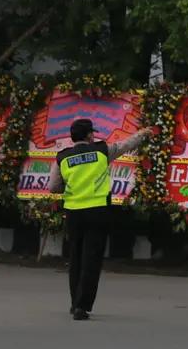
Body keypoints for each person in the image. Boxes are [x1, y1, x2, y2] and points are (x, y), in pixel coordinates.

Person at [49, 118, 155, 320]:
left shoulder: (63, 157)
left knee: (76, 257)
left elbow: (54, 187)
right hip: (97, 210)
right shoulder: (101, 151)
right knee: (91, 259)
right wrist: (142, 134)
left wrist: (71, 188)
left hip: (73, 212)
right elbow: (126, 145)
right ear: (89, 135)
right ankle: (82, 306)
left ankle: (74, 302)